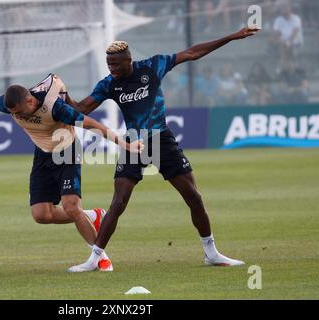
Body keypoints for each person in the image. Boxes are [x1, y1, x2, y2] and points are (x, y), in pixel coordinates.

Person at [67, 27, 259, 272]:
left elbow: (192, 53)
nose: (112, 69)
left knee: (193, 196)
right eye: (109, 64)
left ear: (129, 61)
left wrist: (229, 36)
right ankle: (95, 258)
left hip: (161, 140)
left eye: (115, 64)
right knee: (119, 202)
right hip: (134, 142)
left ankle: (211, 252)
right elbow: (82, 109)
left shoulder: (153, 66)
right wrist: (63, 97)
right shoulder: (109, 84)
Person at [0, 74, 143, 271]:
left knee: (71, 207)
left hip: (67, 151)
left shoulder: (56, 108)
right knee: (41, 215)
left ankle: (100, 258)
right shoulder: (9, 104)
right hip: (42, 155)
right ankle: (93, 216)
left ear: (31, 101)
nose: (19, 117)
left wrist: (125, 145)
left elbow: (92, 125)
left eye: (21, 112)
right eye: (15, 114)